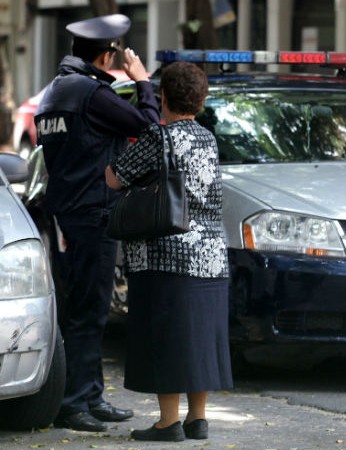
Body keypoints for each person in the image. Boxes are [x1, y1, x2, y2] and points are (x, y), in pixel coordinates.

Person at [34, 14, 160, 433]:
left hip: (69, 212)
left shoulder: (55, 92)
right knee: (88, 312)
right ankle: (74, 403)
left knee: (85, 308)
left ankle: (90, 395)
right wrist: (141, 79)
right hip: (91, 213)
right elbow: (147, 125)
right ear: (109, 54)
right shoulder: (90, 92)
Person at [105, 61, 233, 442]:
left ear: (163, 96)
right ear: (201, 100)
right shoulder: (208, 138)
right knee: (198, 336)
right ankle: (198, 418)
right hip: (210, 254)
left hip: (165, 254)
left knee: (167, 336)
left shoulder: (158, 138)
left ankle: (167, 422)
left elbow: (115, 179)